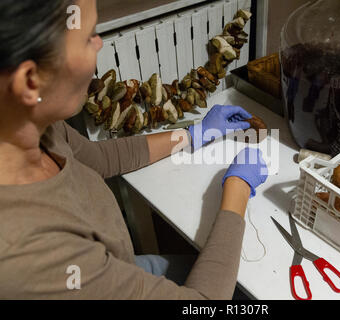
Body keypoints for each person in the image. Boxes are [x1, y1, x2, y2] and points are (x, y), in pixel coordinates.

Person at [0, 0, 268, 299]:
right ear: (30, 81)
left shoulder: (37, 129)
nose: (99, 43)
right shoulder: (35, 257)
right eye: (88, 36)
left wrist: (194, 134)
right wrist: (238, 187)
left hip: (118, 265)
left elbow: (96, 159)